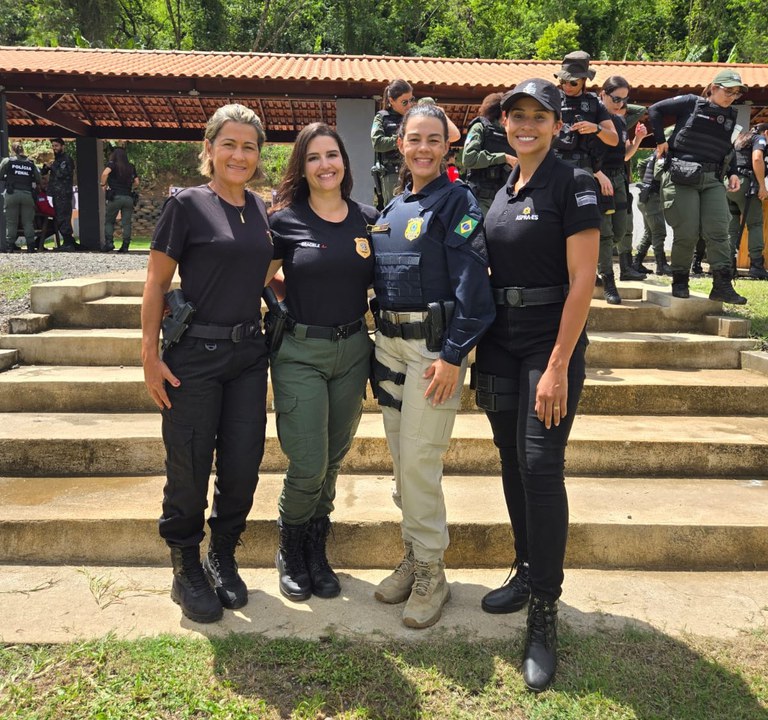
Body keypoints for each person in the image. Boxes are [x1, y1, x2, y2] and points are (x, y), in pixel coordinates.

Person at [475, 79, 600, 692]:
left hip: (547, 344)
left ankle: (544, 610)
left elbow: (583, 282)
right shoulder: (503, 189)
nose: (525, 124)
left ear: (556, 124)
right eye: (515, 115)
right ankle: (526, 570)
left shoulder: (570, 183)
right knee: (508, 459)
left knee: (540, 464)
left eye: (537, 117)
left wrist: (556, 364)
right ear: (504, 123)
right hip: (500, 342)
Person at [141, 104, 272, 624]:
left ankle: (222, 555)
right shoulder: (188, 206)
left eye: (249, 146)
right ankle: (185, 567)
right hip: (193, 356)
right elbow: (156, 283)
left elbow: (260, 274)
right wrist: (149, 355)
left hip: (247, 356)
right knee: (190, 466)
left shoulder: (262, 210)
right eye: (229, 145)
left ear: (259, 155)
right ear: (210, 150)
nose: (239, 155)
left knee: (242, 465)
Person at [369, 102, 495, 629]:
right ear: (400, 144)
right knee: (402, 463)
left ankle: (432, 574)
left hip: (432, 354)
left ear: (449, 145)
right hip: (389, 350)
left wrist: (453, 356)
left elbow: (475, 292)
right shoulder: (395, 206)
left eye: (433, 140)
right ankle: (415, 555)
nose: (423, 148)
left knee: (420, 461)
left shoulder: (457, 201)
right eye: (413, 139)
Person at [266, 123, 377, 602]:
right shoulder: (284, 220)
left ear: (344, 163)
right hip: (301, 353)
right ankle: (290, 547)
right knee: (308, 461)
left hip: (354, 349)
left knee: (332, 459)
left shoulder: (369, 218)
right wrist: (284, 302)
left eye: (332, 155)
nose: (325, 164)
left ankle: (316, 550)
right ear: (301, 166)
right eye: (314, 157)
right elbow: (257, 278)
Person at [648, 69, 748, 304]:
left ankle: (721, 285)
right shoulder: (692, 103)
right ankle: (680, 279)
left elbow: (728, 147)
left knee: (718, 231)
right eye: (727, 91)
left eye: (736, 94)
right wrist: (661, 140)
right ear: (713, 88)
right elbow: (655, 110)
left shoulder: (730, 116)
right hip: (682, 175)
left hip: (713, 178)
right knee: (688, 232)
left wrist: (733, 172)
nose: (731, 97)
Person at [593, 76, 647, 303]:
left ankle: (593, 264)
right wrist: (598, 174)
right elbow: (585, 154)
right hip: (598, 178)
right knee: (605, 234)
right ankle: (608, 281)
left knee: (619, 231)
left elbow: (623, 156)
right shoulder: (593, 118)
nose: (621, 104)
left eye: (625, 100)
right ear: (603, 94)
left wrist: (637, 141)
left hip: (618, 180)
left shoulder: (621, 121)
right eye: (615, 98)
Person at [551, 51, 618, 173]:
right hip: (554, 165)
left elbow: (614, 140)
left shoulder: (594, 103)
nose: (567, 86)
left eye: (573, 82)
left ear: (583, 80)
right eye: (563, 82)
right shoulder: (552, 100)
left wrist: (595, 128)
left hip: (583, 168)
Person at [462, 92, 517, 215]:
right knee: (467, 232)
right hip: (479, 199)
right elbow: (468, 159)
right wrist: (504, 158)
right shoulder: (480, 127)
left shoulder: (513, 133)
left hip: (504, 199)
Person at [727, 123, 768, 279]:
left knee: (731, 228)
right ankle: (756, 266)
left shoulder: (740, 139)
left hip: (730, 184)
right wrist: (762, 186)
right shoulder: (760, 139)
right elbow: (757, 159)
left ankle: (728, 266)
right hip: (746, 185)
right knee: (755, 224)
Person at [371, 79, 414, 210]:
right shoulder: (382, 117)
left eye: (411, 100)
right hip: (392, 174)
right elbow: (377, 143)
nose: (409, 105)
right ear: (391, 101)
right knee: (394, 210)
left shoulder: (413, 117)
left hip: (413, 170)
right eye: (404, 102)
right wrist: (401, 139)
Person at [632, 153, 672, 276]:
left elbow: (641, 164)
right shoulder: (664, 156)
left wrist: (645, 180)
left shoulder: (655, 155)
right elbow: (660, 175)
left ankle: (637, 262)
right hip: (652, 199)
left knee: (650, 233)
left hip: (646, 197)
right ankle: (661, 265)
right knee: (659, 232)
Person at [0, 141, 42, 253]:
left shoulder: (7, 161)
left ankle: (10, 247)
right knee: (28, 222)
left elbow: (0, 174)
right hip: (27, 194)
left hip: (11, 194)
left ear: (12, 150)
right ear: (22, 149)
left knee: (11, 222)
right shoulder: (31, 163)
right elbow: (38, 179)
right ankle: (31, 247)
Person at [101, 147, 139, 253]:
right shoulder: (131, 167)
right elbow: (137, 182)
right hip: (128, 198)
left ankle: (109, 243)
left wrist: (103, 184)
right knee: (126, 223)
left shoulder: (112, 164)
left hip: (115, 197)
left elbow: (104, 174)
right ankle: (125, 246)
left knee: (109, 221)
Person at [48, 137, 78, 251]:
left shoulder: (66, 160)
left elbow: (63, 174)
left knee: (63, 217)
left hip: (63, 193)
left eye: (56, 146)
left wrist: (53, 167)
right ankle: (69, 242)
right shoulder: (57, 160)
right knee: (61, 216)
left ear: (62, 146)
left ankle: (68, 243)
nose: (54, 148)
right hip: (57, 193)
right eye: (53, 146)